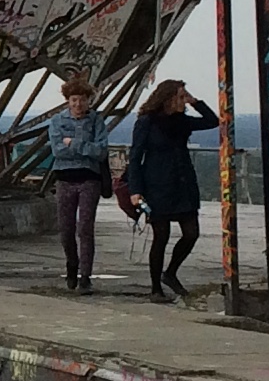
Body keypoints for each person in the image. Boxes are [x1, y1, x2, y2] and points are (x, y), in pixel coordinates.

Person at [117, 78, 222, 303]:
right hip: (157, 183)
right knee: (160, 236)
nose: (184, 101)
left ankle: (171, 272)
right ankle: (156, 287)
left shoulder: (182, 121)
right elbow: (135, 157)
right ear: (168, 98)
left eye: (185, 97)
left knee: (191, 233)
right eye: (181, 97)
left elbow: (212, 121)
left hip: (182, 182)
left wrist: (195, 101)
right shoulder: (147, 122)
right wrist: (136, 190)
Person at [45, 73, 115, 293]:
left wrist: (73, 143)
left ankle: (85, 275)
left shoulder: (96, 121)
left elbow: (101, 151)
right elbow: (58, 151)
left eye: (82, 99)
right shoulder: (57, 121)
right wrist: (86, 147)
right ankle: (72, 266)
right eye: (74, 99)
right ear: (68, 100)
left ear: (88, 100)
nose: (78, 103)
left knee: (85, 228)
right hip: (65, 179)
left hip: (89, 179)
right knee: (66, 229)